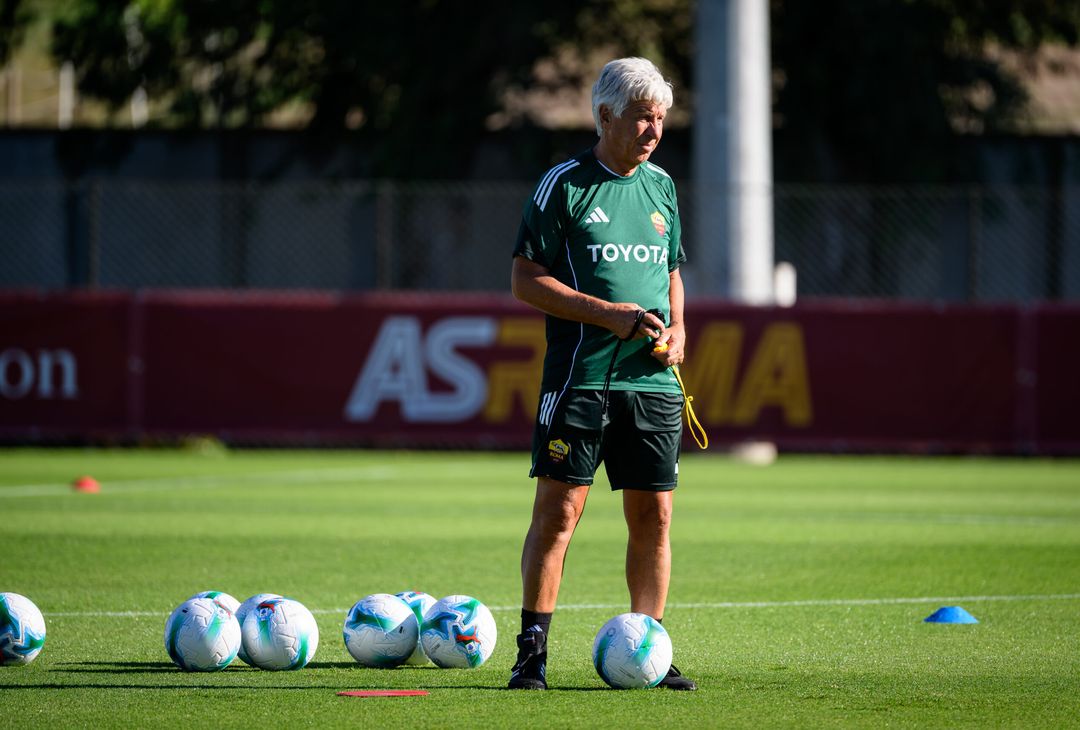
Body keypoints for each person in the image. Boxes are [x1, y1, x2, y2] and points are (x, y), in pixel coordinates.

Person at [507, 57, 695, 691]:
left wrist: (678, 333)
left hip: (652, 385)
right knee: (560, 514)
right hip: (581, 379)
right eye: (644, 117)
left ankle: (650, 649)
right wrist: (608, 314)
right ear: (606, 115)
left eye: (661, 118)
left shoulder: (663, 186)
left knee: (655, 517)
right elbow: (524, 279)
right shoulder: (564, 183)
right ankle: (531, 654)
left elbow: (672, 274)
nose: (654, 129)